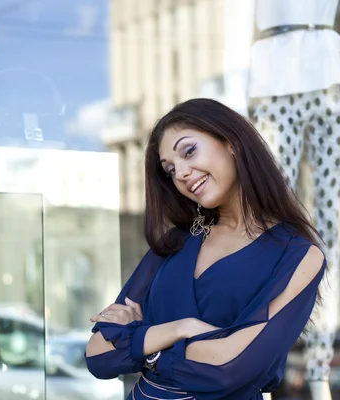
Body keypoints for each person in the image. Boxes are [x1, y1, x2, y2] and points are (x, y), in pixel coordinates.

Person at [85, 98, 327, 400]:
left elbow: (231, 367)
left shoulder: (297, 255)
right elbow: (98, 353)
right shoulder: (175, 244)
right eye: (170, 170)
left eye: (189, 151)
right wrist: (182, 329)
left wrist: (146, 349)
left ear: (231, 142)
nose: (182, 174)